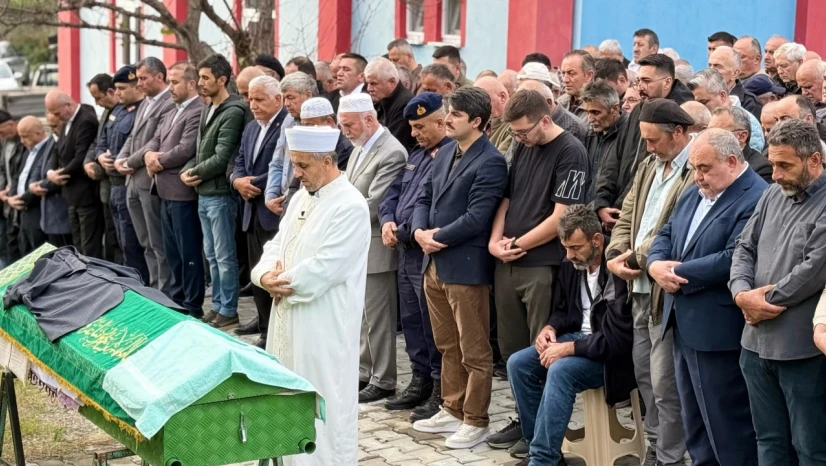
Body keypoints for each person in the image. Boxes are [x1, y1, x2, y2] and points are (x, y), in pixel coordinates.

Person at [251, 125, 370, 466]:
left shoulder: (350, 205)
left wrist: (279, 282)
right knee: (285, 393)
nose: (296, 173)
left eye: (303, 165)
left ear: (328, 161)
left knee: (323, 396)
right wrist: (263, 275)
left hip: (324, 323)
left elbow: (326, 266)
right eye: (294, 163)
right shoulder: (302, 197)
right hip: (286, 314)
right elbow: (277, 243)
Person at [648, 129, 765, 466]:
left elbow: (734, 257)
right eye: (694, 168)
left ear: (732, 161)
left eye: (704, 168)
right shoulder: (696, 191)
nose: (697, 176)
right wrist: (655, 264)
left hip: (717, 329)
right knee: (695, 421)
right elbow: (666, 231)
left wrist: (677, 273)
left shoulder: (755, 195)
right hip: (682, 321)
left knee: (726, 424)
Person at [486, 89, 588, 454]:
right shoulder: (523, 146)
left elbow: (563, 215)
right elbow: (507, 198)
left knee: (539, 353)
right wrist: (495, 241)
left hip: (542, 263)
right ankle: (524, 421)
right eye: (514, 133)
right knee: (512, 352)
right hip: (509, 259)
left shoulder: (571, 151)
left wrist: (519, 244)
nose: (519, 139)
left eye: (524, 132)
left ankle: (544, 436)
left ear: (546, 119)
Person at [410, 87, 507, 450]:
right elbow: (424, 195)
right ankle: (451, 407)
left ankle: (476, 419)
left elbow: (478, 217)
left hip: (465, 267)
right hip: (433, 262)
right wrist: (420, 231)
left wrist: (438, 236)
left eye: (454, 115)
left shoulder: (491, 161)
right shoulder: (447, 149)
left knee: (474, 349)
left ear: (477, 122)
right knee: (447, 344)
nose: (446, 120)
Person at [729, 119, 826, 465]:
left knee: (810, 448)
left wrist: (761, 302)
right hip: (754, 346)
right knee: (768, 442)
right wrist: (742, 294)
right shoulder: (772, 194)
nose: (776, 174)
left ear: (814, 160)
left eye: (785, 165)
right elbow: (743, 248)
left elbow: (814, 270)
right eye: (772, 164)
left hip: (801, 352)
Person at [606, 99, 696, 466]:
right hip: (637, 288)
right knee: (644, 376)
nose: (648, 147)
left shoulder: (694, 169)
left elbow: (673, 230)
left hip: (665, 292)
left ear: (678, 133)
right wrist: (615, 251)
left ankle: (670, 457)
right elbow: (628, 213)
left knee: (665, 385)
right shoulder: (649, 165)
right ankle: (655, 450)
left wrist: (634, 257)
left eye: (653, 139)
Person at [508, 205, 634, 466]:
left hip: (611, 354)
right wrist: (550, 328)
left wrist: (568, 349)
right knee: (518, 364)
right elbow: (564, 309)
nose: (569, 255)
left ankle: (543, 460)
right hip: (579, 339)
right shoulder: (571, 263)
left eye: (575, 248)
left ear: (596, 240)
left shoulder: (616, 267)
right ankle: (540, 449)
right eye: (565, 247)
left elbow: (618, 340)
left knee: (561, 370)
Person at [378, 92, 450, 419]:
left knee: (431, 323)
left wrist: (404, 230)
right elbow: (392, 193)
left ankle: (438, 387)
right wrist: (386, 221)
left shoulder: (450, 155)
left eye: (420, 126)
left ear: (441, 121)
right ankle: (419, 379)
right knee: (410, 321)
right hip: (405, 251)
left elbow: (435, 207)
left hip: (425, 251)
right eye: (411, 126)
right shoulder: (416, 155)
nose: (415, 133)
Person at [338, 93, 407, 403]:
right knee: (363, 314)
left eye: (349, 125)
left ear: (368, 119)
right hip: (358, 244)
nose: (345, 132)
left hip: (378, 245)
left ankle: (384, 378)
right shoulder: (359, 147)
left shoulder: (391, 152)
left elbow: (375, 205)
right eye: (343, 125)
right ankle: (366, 371)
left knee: (379, 317)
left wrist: (333, 210)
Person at [181, 54, 247, 328]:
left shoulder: (233, 110)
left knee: (224, 255)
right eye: (200, 77)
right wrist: (189, 168)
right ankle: (218, 305)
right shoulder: (209, 108)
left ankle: (228, 309)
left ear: (223, 79)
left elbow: (222, 158)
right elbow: (200, 151)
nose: (200, 82)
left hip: (220, 194)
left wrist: (194, 173)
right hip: (204, 193)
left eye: (206, 78)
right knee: (211, 256)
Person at [592, 53, 694, 231]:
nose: (640, 88)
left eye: (647, 81)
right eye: (639, 81)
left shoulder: (682, 113)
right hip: (619, 213)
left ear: (667, 82)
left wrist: (622, 211)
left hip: (644, 217)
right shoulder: (640, 109)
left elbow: (651, 173)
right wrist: (601, 203)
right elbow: (613, 160)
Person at [141, 61, 206, 318]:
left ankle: (192, 304)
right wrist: (148, 154)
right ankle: (177, 298)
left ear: (191, 84)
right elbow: (155, 140)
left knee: (188, 251)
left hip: (182, 193)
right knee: (172, 253)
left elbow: (186, 148)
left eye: (175, 82)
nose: (170, 87)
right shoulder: (171, 111)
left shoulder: (197, 111)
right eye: (169, 82)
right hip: (164, 190)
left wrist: (157, 160)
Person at [230, 75, 287, 348]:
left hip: (272, 210)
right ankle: (264, 328)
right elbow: (240, 160)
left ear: (278, 99)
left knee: (273, 273)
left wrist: (253, 184)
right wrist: (237, 180)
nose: (252, 104)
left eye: (259, 99)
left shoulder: (286, 124)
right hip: (250, 208)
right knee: (257, 271)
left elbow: (281, 166)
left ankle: (274, 333)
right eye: (250, 98)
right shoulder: (252, 127)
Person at [117, 57, 174, 293]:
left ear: (159, 77)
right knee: (144, 242)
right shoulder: (145, 103)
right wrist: (121, 158)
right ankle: (154, 288)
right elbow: (133, 136)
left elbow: (155, 141)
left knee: (157, 241)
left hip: (149, 181)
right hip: (132, 180)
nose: (139, 84)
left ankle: (165, 290)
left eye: (143, 78)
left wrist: (129, 162)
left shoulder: (169, 103)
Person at [44, 89, 103, 257]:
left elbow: (80, 157)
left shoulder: (85, 120)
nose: (55, 117)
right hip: (71, 195)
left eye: (56, 112)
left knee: (89, 247)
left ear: (68, 105)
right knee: (77, 246)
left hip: (85, 193)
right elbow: (58, 150)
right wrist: (50, 172)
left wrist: (60, 173)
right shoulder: (67, 121)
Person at [264, 72, 318, 217]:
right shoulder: (288, 120)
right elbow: (277, 162)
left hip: (307, 206)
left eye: (290, 97)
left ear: (308, 95)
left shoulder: (321, 124)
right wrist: (271, 195)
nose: (286, 103)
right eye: (284, 98)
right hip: (284, 203)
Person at [83, 73, 122, 264]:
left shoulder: (124, 110)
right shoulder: (107, 112)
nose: (97, 103)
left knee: (120, 240)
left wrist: (98, 166)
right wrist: (89, 161)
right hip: (106, 189)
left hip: (118, 182)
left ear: (111, 91)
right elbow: (97, 143)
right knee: (111, 235)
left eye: (98, 97)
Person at [686, 68, 765, 151]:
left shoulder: (749, 123)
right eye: (696, 103)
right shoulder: (705, 118)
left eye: (703, 102)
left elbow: (751, 159)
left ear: (722, 96)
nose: (700, 108)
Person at [8, 116, 53, 254]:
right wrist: (11, 197)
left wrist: (22, 199)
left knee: (39, 256)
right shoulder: (28, 151)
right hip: (22, 213)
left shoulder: (48, 149)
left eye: (25, 137)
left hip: (36, 211)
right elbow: (18, 175)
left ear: (38, 133)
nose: (22, 141)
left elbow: (40, 181)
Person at [581, 81, 626, 203]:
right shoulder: (590, 135)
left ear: (615, 109)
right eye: (587, 112)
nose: (590, 119)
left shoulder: (628, 135)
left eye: (596, 112)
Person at [708, 106, 773, 182]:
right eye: (708, 132)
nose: (709, 138)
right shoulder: (707, 162)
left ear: (742, 136)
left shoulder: (761, 168)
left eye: (718, 134)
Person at [365, 57, 415, 151]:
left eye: (374, 84)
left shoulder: (405, 104)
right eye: (368, 83)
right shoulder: (383, 99)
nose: (369, 88)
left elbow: (392, 144)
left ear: (392, 82)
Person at [517, 78, 588, 144]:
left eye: (529, 107)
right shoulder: (524, 124)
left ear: (548, 103)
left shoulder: (572, 127)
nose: (524, 113)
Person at [708, 46, 763, 119]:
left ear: (735, 73)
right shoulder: (702, 97)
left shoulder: (750, 103)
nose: (710, 71)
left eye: (718, 66)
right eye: (710, 66)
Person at [0, 110, 25, 266]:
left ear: (10, 124)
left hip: (19, 201)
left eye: (1, 131)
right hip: (7, 202)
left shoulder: (23, 141)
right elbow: (3, 169)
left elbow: (21, 172)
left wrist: (10, 191)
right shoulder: (6, 141)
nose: (1, 135)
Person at [474, 76, 512, 154]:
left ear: (502, 97)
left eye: (482, 101)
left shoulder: (515, 125)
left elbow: (499, 160)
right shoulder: (482, 121)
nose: (477, 106)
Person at [557, 50, 596, 120]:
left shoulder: (599, 107)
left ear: (589, 76)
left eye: (571, 73)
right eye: (563, 73)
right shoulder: (559, 103)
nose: (565, 80)